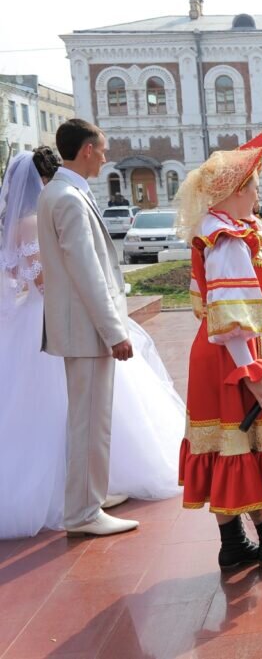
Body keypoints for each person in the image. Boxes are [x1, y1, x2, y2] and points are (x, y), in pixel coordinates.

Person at [0, 149, 184, 540]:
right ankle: (83, 504)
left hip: (31, 321)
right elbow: (56, 275)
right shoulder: (49, 211)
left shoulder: (15, 223)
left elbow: (17, 278)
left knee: (54, 417)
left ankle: (85, 493)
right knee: (84, 413)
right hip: (66, 318)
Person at [175, 133, 262, 569]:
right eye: (255, 187)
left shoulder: (213, 232)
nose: (259, 195)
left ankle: (233, 542)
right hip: (231, 356)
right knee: (246, 444)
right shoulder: (228, 240)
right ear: (238, 192)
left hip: (212, 352)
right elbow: (233, 317)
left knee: (224, 446)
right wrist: (252, 373)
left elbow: (207, 300)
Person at [34, 121, 139, 538]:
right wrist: (115, 332)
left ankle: (90, 495)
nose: (107, 155)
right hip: (86, 329)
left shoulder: (61, 192)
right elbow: (87, 272)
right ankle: (82, 511)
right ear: (88, 150)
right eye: (103, 148)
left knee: (90, 418)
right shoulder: (68, 198)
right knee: (89, 421)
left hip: (79, 327)